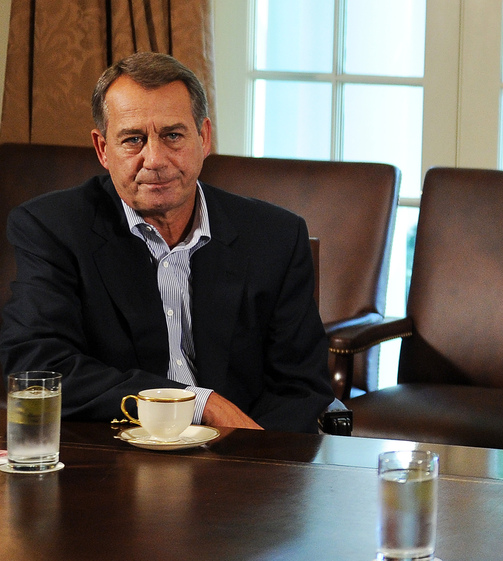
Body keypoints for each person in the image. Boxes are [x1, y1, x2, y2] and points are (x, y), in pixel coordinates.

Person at [0, 52, 335, 433]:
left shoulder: (275, 236)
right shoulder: (52, 229)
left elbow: (301, 386)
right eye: (133, 140)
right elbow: (37, 366)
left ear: (204, 137)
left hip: (242, 456)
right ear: (102, 149)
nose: (155, 159)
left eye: (173, 136)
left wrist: (249, 458)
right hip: (117, 455)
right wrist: (197, 404)